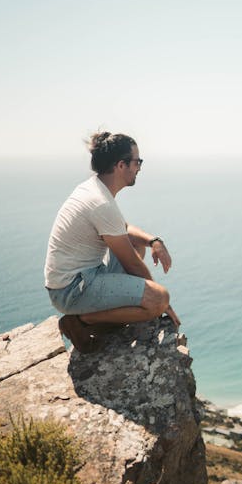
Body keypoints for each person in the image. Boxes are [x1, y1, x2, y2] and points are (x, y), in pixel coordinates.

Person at [44, 131, 180, 353]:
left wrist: (153, 241)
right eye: (137, 162)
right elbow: (132, 264)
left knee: (137, 244)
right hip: (71, 290)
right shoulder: (101, 203)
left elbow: (122, 229)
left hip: (80, 276)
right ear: (121, 165)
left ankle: (96, 315)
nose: (139, 168)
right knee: (158, 299)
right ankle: (82, 321)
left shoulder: (94, 188)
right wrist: (162, 305)